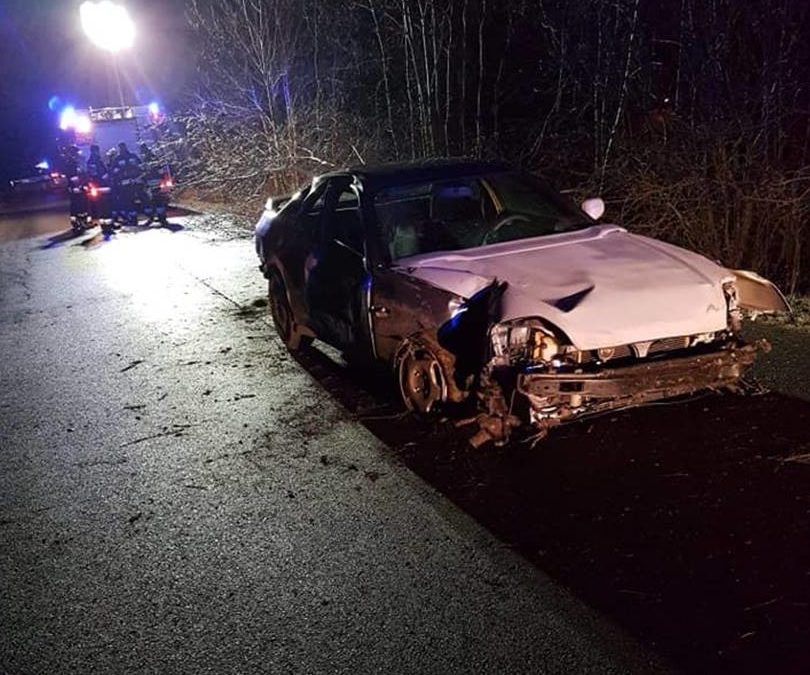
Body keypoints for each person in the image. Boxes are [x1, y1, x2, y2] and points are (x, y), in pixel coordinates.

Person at [110, 142, 142, 226]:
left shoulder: (120, 159)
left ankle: (134, 218)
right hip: (131, 183)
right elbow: (114, 171)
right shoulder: (129, 157)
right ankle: (134, 218)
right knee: (131, 201)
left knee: (130, 202)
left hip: (131, 183)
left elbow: (140, 166)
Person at [85, 144, 112, 232]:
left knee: (102, 206)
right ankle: (107, 226)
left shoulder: (94, 161)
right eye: (96, 151)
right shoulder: (94, 161)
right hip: (100, 186)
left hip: (99, 186)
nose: (97, 152)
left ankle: (106, 225)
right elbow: (95, 174)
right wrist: (104, 176)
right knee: (104, 206)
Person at [64, 145, 88, 231]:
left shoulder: (74, 162)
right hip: (75, 188)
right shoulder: (71, 163)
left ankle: (81, 222)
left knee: (80, 205)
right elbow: (73, 176)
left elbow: (81, 174)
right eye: (76, 152)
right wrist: (79, 185)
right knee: (78, 206)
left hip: (77, 188)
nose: (77, 154)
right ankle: (79, 223)